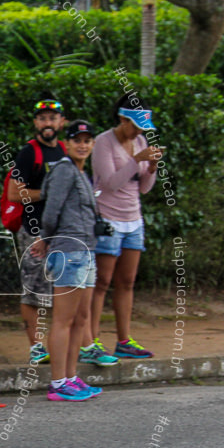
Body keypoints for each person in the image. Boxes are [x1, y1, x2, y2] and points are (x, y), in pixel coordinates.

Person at [32, 120, 104, 401]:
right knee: (63, 320)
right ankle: (58, 383)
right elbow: (51, 212)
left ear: (93, 144)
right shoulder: (63, 170)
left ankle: (72, 377)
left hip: (86, 251)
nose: (83, 145)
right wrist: (46, 238)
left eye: (87, 140)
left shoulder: (81, 172)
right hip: (69, 251)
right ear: (68, 143)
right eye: (77, 140)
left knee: (81, 318)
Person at [88, 94, 162, 359]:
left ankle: (124, 340)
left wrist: (151, 167)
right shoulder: (103, 143)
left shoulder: (139, 141)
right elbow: (110, 183)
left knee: (127, 282)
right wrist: (136, 159)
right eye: (134, 125)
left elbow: (143, 188)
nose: (139, 132)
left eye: (142, 127)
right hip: (108, 218)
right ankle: (92, 341)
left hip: (134, 220)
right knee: (102, 281)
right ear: (121, 119)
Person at [8, 97, 68, 364]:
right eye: (42, 118)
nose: (48, 123)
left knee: (62, 291)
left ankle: (61, 342)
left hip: (61, 233)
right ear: (36, 122)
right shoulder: (29, 152)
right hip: (33, 232)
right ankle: (36, 347)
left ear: (61, 122)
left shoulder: (65, 151)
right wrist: (48, 193)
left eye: (52, 118)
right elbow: (12, 192)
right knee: (32, 291)